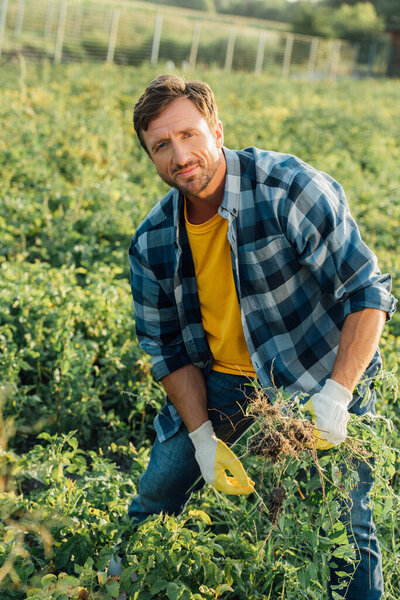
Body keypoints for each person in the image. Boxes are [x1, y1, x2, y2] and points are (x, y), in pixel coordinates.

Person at [112, 74, 397, 599]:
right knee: (154, 499)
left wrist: (338, 396)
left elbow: (366, 292)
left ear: (216, 130)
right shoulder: (152, 242)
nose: (180, 155)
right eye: (162, 146)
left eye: (190, 135)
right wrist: (201, 438)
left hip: (315, 373)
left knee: (346, 528)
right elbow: (165, 349)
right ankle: (107, 588)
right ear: (151, 158)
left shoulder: (287, 187)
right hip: (222, 384)